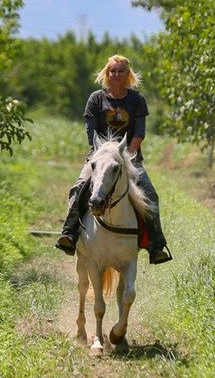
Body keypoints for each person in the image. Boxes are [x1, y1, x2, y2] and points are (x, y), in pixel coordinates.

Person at [55, 54, 172, 265]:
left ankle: (156, 246)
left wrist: (124, 156)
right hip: (99, 158)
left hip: (130, 158)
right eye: (113, 71)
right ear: (107, 74)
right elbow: (92, 134)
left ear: (128, 74)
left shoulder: (137, 100)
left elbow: (139, 133)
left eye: (121, 71)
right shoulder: (96, 99)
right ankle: (70, 234)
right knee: (79, 187)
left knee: (151, 195)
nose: (116, 74)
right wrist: (104, 154)